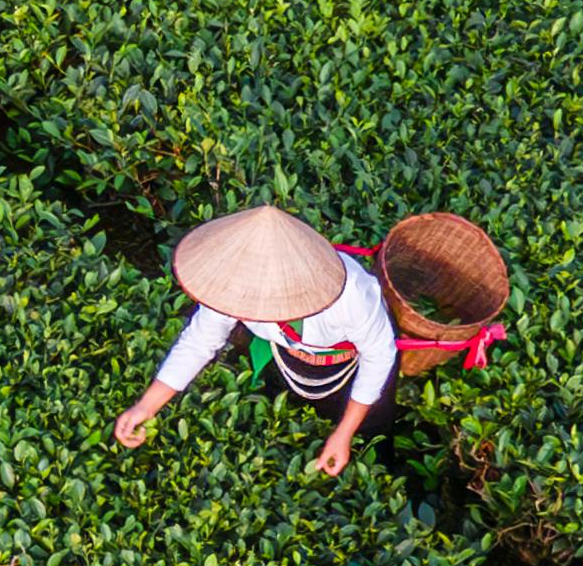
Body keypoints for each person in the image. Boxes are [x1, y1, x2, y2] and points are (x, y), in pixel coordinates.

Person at [112, 203, 397, 478]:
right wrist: (146, 407)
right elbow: (200, 340)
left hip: (348, 364)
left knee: (370, 433)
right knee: (286, 420)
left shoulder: (352, 292)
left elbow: (378, 356)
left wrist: (344, 433)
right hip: (285, 358)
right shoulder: (231, 279)